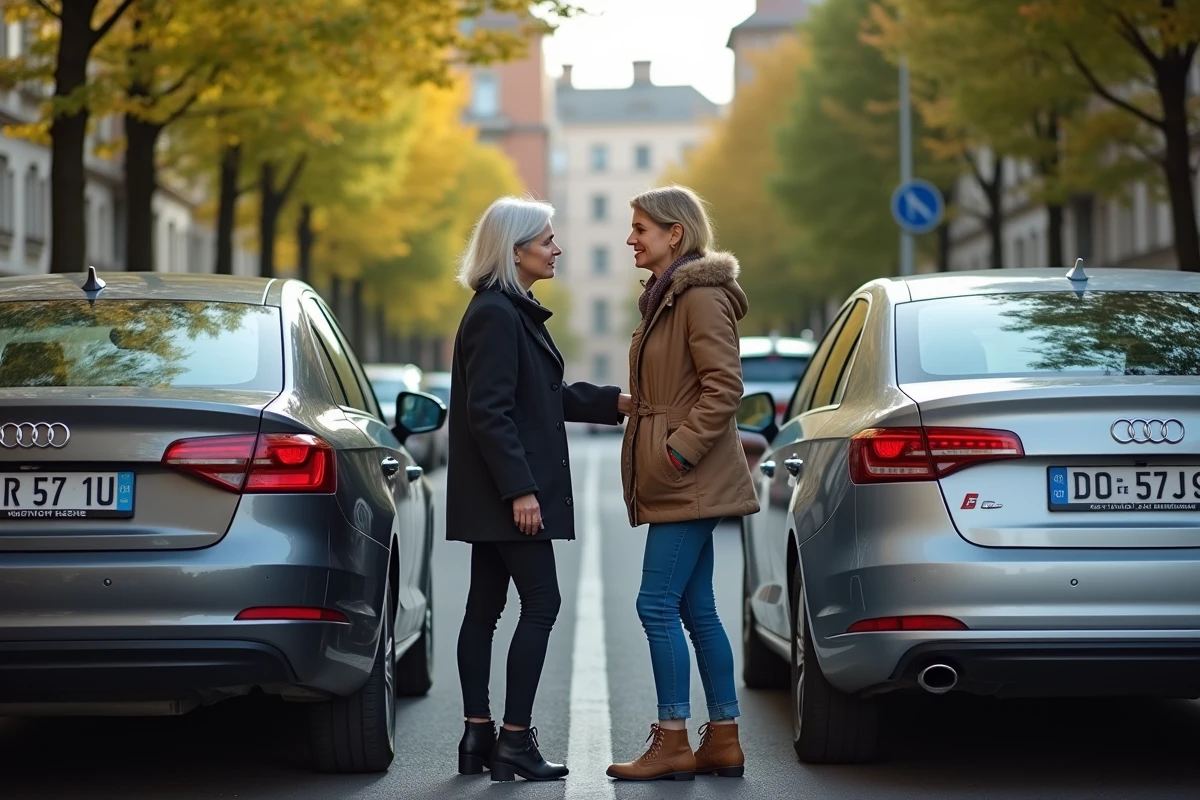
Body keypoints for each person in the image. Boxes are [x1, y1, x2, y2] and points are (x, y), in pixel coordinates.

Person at [447, 196, 632, 783]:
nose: (557, 249)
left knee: (484, 608)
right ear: (516, 248)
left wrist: (616, 403)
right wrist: (521, 491)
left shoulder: (506, 309)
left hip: (491, 492)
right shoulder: (497, 314)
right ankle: (515, 742)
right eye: (547, 240)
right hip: (507, 494)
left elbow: (539, 398)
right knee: (542, 603)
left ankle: (478, 735)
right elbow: (491, 413)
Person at [607, 186, 760, 782]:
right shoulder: (670, 296)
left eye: (641, 228)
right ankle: (721, 738)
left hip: (688, 476)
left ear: (676, 234)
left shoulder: (697, 296)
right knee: (696, 606)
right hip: (684, 475)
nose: (630, 239)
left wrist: (677, 453)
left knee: (655, 604)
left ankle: (672, 738)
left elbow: (725, 386)